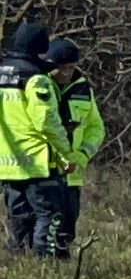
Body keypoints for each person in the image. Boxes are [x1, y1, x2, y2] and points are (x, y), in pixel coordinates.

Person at [2, 38, 100, 256]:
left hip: (71, 172)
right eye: (60, 68)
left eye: (71, 67)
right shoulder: (37, 83)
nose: (66, 72)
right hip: (42, 167)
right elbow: (43, 128)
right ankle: (39, 266)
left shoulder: (84, 89)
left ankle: (58, 269)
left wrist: (80, 156)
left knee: (65, 227)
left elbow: (96, 129)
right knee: (36, 219)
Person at [0, 20, 48, 252]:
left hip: (6, 160)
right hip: (33, 159)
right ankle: (43, 264)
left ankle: (15, 256)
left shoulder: (2, 70)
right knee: (44, 212)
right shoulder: (34, 76)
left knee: (16, 212)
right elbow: (45, 121)